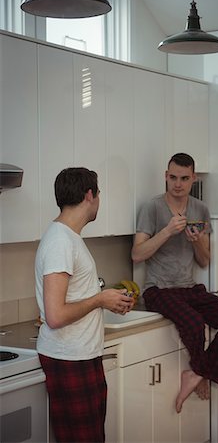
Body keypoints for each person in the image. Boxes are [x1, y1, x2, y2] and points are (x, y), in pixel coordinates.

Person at [132, 153, 218, 413]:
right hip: (158, 289)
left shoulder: (200, 209)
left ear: (193, 178)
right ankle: (201, 372)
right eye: (173, 177)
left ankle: (197, 372)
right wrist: (167, 231)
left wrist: (196, 240)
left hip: (188, 288)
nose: (178, 184)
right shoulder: (152, 208)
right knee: (194, 323)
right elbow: (137, 254)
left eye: (184, 178)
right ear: (166, 176)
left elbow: (205, 261)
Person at [35, 167, 134, 443]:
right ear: (89, 195)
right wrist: (100, 299)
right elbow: (54, 315)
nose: (99, 199)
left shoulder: (68, 238)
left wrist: (108, 302)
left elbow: (65, 300)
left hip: (81, 355)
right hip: (68, 358)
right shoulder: (60, 242)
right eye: (99, 193)